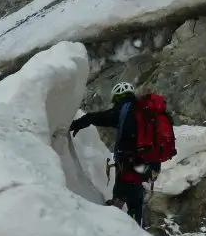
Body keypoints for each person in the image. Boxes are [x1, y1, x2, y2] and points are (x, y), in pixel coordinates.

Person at [69, 81, 162, 227]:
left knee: (123, 192)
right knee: (135, 197)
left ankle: (118, 227)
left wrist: (76, 124)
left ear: (117, 98)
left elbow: (98, 117)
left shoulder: (124, 111)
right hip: (148, 165)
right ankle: (135, 229)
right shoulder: (146, 114)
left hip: (130, 163)